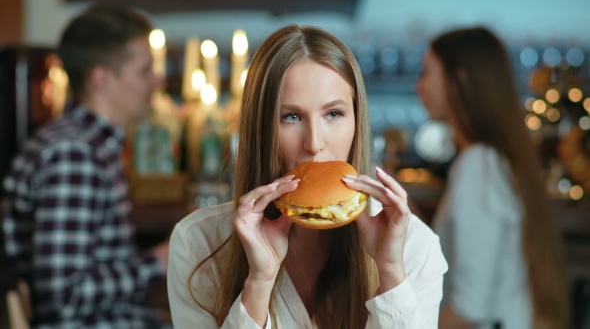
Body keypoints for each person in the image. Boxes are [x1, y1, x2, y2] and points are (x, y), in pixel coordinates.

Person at [167, 24, 448, 329]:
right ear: (260, 129)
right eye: (291, 117)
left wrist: (391, 273)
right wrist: (259, 283)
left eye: (333, 114)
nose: (314, 143)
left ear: (357, 120)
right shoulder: (198, 243)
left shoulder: (415, 247)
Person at [1, 6, 170, 328]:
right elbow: (63, 297)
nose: (158, 80)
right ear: (100, 78)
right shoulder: (73, 155)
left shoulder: (82, 143)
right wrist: (162, 259)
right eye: (145, 70)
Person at [416, 27, 570, 329]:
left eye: (426, 73)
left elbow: (468, 310)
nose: (418, 86)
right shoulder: (491, 161)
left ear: (457, 81)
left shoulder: (479, 166)